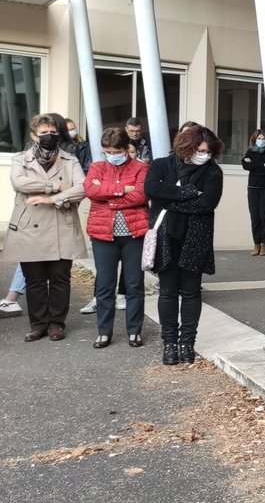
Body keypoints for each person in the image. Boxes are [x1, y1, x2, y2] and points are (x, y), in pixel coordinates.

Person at [144, 125, 224, 366]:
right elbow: (151, 189)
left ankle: (187, 343)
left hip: (196, 238)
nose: (204, 155)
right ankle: (169, 343)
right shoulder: (161, 165)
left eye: (208, 152)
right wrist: (188, 193)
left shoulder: (213, 171)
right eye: (200, 150)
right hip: (166, 236)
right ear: (186, 147)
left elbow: (207, 204)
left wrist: (169, 201)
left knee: (191, 292)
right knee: (168, 291)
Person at [4, 114, 87, 341]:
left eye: (53, 132)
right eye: (43, 133)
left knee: (60, 279)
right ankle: (38, 324)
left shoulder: (70, 159)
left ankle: (57, 324)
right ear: (34, 136)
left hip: (62, 225)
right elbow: (19, 183)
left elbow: (82, 188)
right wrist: (55, 186)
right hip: (29, 227)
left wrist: (51, 199)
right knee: (35, 280)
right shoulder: (21, 159)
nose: (49, 136)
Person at [83, 126, 149, 348]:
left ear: (126, 148)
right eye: (108, 152)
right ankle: (104, 332)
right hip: (103, 235)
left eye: (116, 151)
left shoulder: (141, 167)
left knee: (134, 284)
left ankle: (134, 331)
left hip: (134, 234)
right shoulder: (97, 167)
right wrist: (123, 190)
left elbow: (141, 196)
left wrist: (107, 193)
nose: (112, 156)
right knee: (104, 285)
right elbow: (90, 191)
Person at [241, 128, 265, 256]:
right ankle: (256, 244)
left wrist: (255, 166)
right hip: (253, 189)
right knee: (255, 218)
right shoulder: (250, 151)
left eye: (263, 138)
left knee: (264, 217)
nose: (261, 140)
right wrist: (261, 165)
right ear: (255, 140)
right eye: (259, 138)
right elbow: (245, 165)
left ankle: (264, 244)